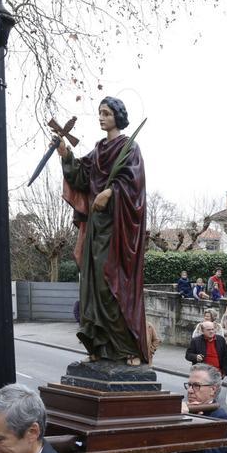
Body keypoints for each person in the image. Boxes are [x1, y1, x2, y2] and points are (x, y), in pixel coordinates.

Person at [60, 96, 148, 365]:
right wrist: (66, 156)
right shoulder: (98, 150)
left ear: (117, 117)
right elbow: (81, 178)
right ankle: (98, 345)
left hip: (117, 230)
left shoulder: (130, 148)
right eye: (100, 112)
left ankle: (128, 348)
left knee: (112, 287)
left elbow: (134, 185)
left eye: (107, 113)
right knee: (92, 288)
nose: (101, 117)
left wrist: (111, 192)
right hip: (96, 229)